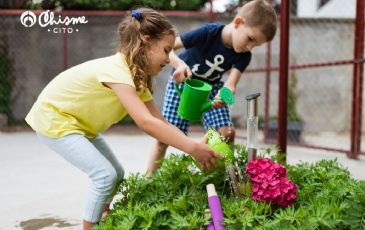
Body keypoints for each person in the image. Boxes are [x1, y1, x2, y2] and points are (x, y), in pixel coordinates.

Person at [25, 8, 223, 230]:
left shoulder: (136, 80)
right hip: (55, 117)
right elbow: (146, 123)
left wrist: (194, 145)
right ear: (147, 41)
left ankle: (102, 217)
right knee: (104, 175)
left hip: (78, 124)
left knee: (116, 174)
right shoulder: (118, 70)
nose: (169, 59)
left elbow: (161, 123)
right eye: (166, 50)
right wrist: (192, 148)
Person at [147, 0, 277, 175]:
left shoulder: (244, 56)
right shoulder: (208, 33)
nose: (250, 47)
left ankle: (210, 175)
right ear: (238, 22)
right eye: (251, 39)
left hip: (211, 89)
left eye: (256, 45)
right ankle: (148, 180)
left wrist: (224, 96)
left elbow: (230, 85)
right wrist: (179, 65)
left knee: (227, 133)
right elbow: (168, 49)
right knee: (163, 138)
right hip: (184, 86)